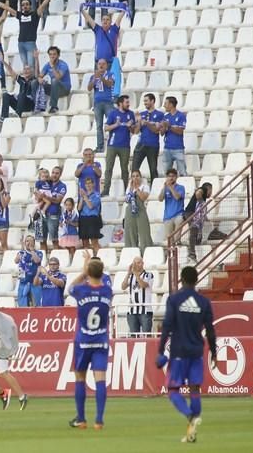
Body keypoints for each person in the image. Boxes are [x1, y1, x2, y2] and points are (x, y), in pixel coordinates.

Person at [156, 265, 217, 444]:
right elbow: (211, 330)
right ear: (196, 280)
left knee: (173, 390)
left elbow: (167, 325)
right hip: (197, 351)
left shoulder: (174, 300)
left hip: (179, 352)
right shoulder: (204, 302)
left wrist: (160, 350)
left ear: (181, 280)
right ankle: (192, 433)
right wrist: (214, 352)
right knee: (195, 389)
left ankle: (190, 416)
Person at [68, 252, 112, 429]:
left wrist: (83, 270)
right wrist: (90, 269)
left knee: (80, 378)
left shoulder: (81, 290)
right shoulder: (107, 291)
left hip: (83, 340)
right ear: (102, 273)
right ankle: (99, 420)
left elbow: (70, 287)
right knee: (100, 379)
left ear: (88, 273)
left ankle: (81, 418)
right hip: (101, 341)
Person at [102, 95, 136, 196]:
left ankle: (126, 189)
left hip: (125, 145)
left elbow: (133, 131)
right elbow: (106, 128)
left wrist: (130, 127)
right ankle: (106, 189)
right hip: (112, 145)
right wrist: (115, 125)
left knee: (124, 169)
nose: (128, 104)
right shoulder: (113, 113)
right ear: (120, 103)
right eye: (126, 102)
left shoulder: (131, 114)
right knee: (109, 168)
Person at [132, 92, 164, 183]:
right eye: (144, 101)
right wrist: (138, 122)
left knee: (153, 169)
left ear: (152, 101)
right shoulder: (142, 114)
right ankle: (134, 188)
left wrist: (147, 123)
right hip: (141, 144)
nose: (145, 103)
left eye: (146, 101)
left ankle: (154, 187)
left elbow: (156, 130)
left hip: (153, 145)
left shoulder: (159, 114)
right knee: (134, 168)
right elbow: (136, 131)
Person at [88, 58, 116, 153]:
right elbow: (89, 88)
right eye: (99, 64)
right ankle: (100, 146)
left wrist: (101, 78)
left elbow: (110, 84)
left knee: (111, 123)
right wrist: (94, 80)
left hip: (108, 102)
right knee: (99, 126)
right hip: (97, 103)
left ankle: (113, 144)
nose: (101, 65)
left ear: (106, 65)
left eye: (103, 64)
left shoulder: (110, 74)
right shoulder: (93, 76)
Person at [121, 257, 154, 336]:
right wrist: (128, 273)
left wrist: (136, 274)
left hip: (145, 310)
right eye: (135, 263)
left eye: (138, 263)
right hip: (132, 310)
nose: (136, 265)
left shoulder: (149, 275)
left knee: (147, 335)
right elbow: (123, 287)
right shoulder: (131, 276)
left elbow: (143, 285)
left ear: (143, 263)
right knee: (134, 336)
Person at [124, 170, 152, 253]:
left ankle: (146, 252)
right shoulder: (129, 187)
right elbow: (126, 199)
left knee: (144, 232)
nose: (135, 178)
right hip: (130, 210)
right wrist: (132, 189)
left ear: (140, 177)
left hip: (140, 209)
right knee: (130, 232)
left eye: (137, 176)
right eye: (133, 176)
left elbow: (143, 197)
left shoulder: (145, 186)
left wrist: (137, 189)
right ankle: (131, 252)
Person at [39, 46, 71, 114]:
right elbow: (40, 75)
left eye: (54, 54)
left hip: (64, 89)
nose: (52, 56)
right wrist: (40, 79)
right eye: (50, 54)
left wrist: (52, 66)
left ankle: (54, 107)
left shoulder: (63, 65)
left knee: (54, 80)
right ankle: (38, 106)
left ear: (58, 55)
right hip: (54, 89)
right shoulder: (48, 65)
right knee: (35, 83)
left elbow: (58, 77)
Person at [161, 96, 187, 176]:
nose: (164, 105)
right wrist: (163, 127)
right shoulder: (165, 116)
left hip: (178, 148)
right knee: (166, 173)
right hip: (167, 148)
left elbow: (180, 131)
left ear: (171, 104)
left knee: (182, 172)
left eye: (166, 103)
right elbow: (162, 133)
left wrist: (169, 126)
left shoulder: (181, 116)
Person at [160, 168, 185, 248]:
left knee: (179, 221)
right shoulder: (166, 188)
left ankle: (178, 242)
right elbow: (160, 199)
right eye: (169, 176)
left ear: (176, 177)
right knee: (170, 241)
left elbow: (177, 197)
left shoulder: (181, 187)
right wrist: (164, 187)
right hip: (168, 216)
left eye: (173, 176)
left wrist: (170, 187)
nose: (171, 178)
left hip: (178, 214)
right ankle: (172, 256)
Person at [15, 235, 43, 307]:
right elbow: (16, 261)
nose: (29, 243)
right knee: (22, 305)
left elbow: (37, 261)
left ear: (34, 243)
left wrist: (32, 250)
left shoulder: (39, 252)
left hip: (34, 283)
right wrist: (18, 257)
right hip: (23, 282)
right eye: (27, 241)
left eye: (31, 241)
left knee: (37, 305)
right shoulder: (21, 253)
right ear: (25, 243)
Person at [78, 177, 103, 255]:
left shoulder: (96, 195)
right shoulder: (83, 195)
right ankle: (88, 259)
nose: (88, 185)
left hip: (92, 219)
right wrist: (82, 198)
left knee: (94, 241)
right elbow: (79, 208)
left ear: (93, 184)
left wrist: (85, 197)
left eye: (90, 183)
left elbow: (91, 206)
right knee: (85, 242)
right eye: (86, 183)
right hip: (83, 219)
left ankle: (99, 258)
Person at [185, 184, 210, 262]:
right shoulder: (203, 189)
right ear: (209, 189)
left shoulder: (204, 198)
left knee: (198, 235)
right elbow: (198, 193)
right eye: (211, 191)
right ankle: (191, 253)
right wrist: (201, 201)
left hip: (193, 214)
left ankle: (195, 249)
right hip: (191, 213)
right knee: (193, 231)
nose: (211, 193)